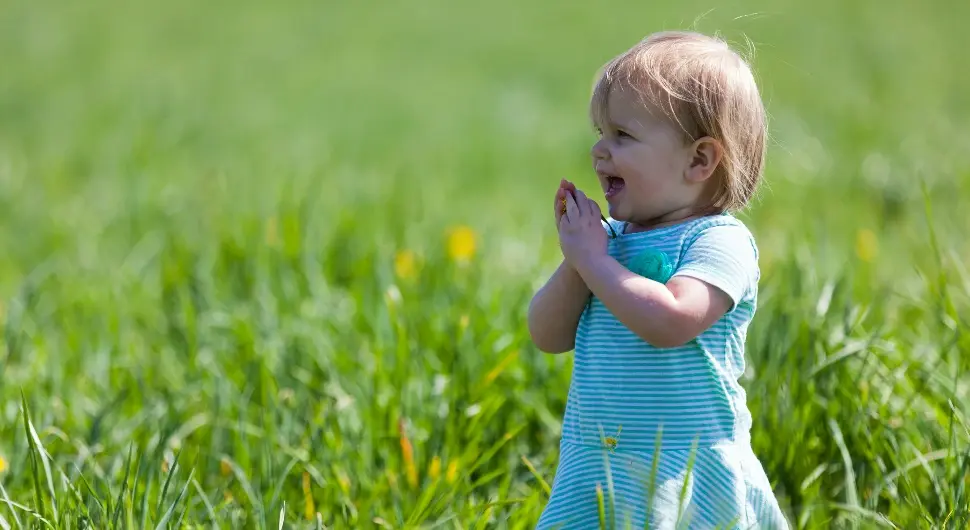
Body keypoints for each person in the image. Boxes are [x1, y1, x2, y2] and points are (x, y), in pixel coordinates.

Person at [528, 31, 789, 529]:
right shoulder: (609, 244)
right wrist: (579, 261)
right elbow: (546, 334)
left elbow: (671, 320)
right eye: (600, 133)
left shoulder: (718, 242)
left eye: (623, 136)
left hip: (686, 467)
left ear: (699, 160)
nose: (600, 151)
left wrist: (596, 262)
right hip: (598, 463)